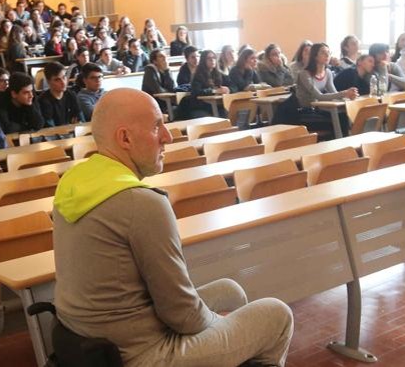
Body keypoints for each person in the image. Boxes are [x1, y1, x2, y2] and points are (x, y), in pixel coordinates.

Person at [52, 88, 294, 366]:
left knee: (231, 291)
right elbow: (182, 315)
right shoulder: (140, 202)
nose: (167, 136)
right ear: (125, 138)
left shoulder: (74, 183)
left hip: (94, 341)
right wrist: (218, 324)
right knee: (276, 314)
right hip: (142, 354)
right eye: (157, 126)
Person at [291, 43, 357, 132]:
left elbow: (334, 92)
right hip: (306, 112)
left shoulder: (328, 72)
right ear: (315, 56)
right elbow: (319, 96)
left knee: (344, 115)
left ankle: (342, 142)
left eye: (329, 53)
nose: (327, 55)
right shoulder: (305, 74)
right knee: (338, 119)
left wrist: (348, 95)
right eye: (323, 52)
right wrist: (344, 93)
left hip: (320, 108)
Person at [35, 62, 83, 127]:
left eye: (64, 77)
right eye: (57, 80)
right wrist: (71, 125)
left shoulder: (71, 95)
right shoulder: (43, 101)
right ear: (48, 82)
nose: (63, 82)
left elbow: (81, 121)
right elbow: (51, 128)